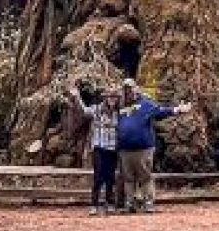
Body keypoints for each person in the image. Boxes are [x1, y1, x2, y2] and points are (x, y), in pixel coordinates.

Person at [116, 79, 192, 213]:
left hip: (143, 148)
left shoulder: (146, 104)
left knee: (145, 176)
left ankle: (148, 202)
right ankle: (130, 203)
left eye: (131, 88)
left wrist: (178, 110)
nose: (129, 91)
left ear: (136, 89)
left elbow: (161, 111)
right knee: (128, 178)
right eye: (126, 89)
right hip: (125, 149)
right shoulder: (120, 105)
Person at [68, 83, 122, 214]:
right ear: (106, 98)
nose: (112, 99)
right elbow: (84, 111)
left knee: (110, 177)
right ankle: (94, 204)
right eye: (110, 97)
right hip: (99, 147)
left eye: (114, 97)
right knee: (98, 176)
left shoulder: (119, 112)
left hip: (113, 149)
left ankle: (109, 203)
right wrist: (77, 97)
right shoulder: (97, 109)